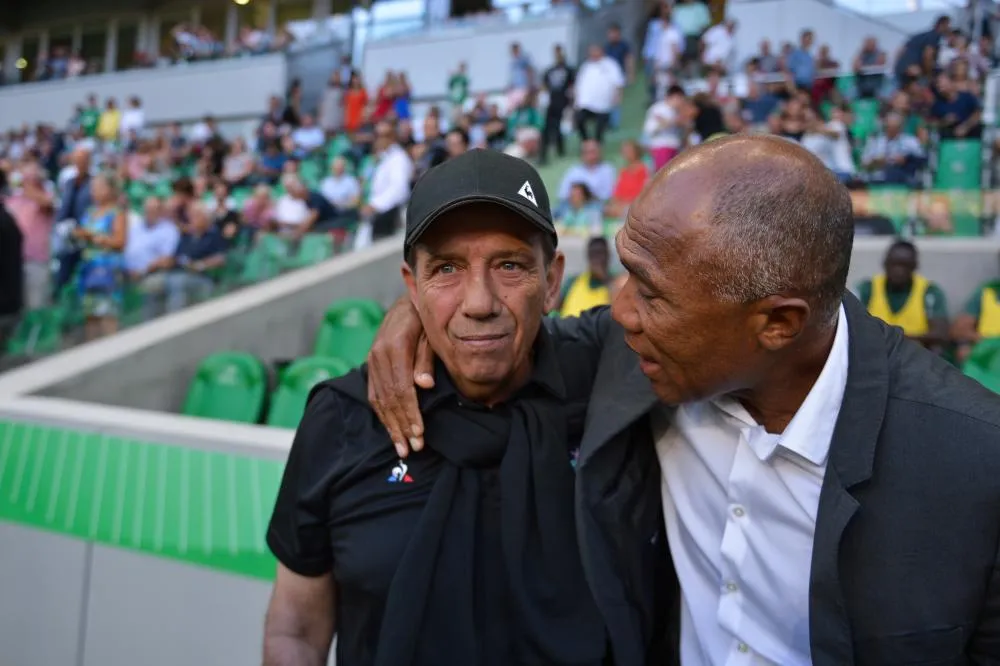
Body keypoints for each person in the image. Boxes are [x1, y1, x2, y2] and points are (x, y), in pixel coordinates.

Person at [368, 135, 1000, 663]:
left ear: (776, 324)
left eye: (651, 294)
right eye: (626, 274)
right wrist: (411, 313)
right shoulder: (640, 352)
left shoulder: (974, 465)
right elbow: (502, 325)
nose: (619, 312)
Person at [263, 150, 625, 666]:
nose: (479, 302)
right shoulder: (343, 418)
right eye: (447, 268)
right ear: (412, 287)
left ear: (551, 282)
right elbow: (295, 631)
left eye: (510, 265)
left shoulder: (604, 366)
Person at [857, 240, 950, 351]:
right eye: (894, 264)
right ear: (885, 264)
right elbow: (852, 326)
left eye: (905, 265)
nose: (899, 271)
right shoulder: (867, 289)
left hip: (915, 352)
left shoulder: (929, 292)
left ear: (915, 266)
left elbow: (940, 333)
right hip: (873, 351)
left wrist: (897, 339)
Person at [558, 236, 613, 317]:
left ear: (608, 255)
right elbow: (553, 306)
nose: (596, 258)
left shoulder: (617, 284)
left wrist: (604, 278)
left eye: (599, 253)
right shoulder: (573, 281)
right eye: (592, 254)